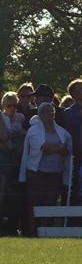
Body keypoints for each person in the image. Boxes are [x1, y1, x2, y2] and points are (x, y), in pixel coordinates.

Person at [19, 101, 73, 234]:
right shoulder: (34, 130)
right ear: (41, 114)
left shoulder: (61, 131)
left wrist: (60, 149)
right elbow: (42, 148)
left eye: (53, 112)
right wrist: (59, 148)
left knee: (50, 202)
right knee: (34, 202)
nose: (51, 114)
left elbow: (67, 150)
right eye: (48, 112)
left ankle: (46, 231)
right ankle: (31, 231)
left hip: (55, 172)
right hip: (37, 173)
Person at [0, 92, 28, 234]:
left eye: (14, 105)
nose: (12, 108)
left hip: (18, 157)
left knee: (17, 192)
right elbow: (3, 138)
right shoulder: (1, 117)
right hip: (4, 157)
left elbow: (25, 135)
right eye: (9, 105)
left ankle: (15, 225)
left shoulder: (21, 117)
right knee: (4, 191)